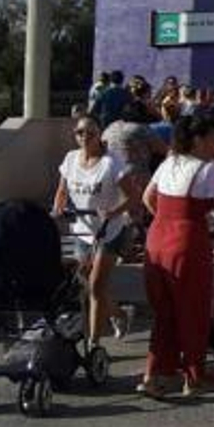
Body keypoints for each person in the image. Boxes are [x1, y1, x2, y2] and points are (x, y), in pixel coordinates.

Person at [139, 109, 214, 397]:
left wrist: (167, 219)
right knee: (193, 310)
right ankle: (193, 376)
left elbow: (148, 198)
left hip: (156, 240)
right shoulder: (206, 170)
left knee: (164, 312)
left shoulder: (168, 163)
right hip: (187, 243)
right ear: (198, 140)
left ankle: (154, 373)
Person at [52, 114, 140, 349]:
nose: (84, 138)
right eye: (80, 133)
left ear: (99, 135)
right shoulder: (70, 159)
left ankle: (94, 344)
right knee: (87, 286)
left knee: (96, 286)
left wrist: (112, 212)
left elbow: (133, 197)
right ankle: (120, 313)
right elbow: (62, 191)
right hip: (81, 230)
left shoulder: (111, 163)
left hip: (109, 231)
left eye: (90, 133)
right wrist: (57, 209)